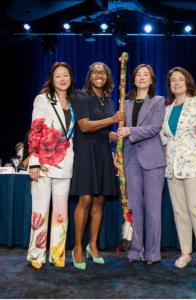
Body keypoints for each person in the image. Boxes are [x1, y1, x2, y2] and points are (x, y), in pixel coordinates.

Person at [160, 66, 196, 269]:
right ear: (169, 85)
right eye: (173, 80)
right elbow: (164, 137)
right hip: (173, 166)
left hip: (194, 163)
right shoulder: (167, 109)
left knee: (195, 208)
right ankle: (185, 253)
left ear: (187, 82)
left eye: (180, 79)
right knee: (179, 211)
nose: (176, 83)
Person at [70, 62, 124, 270]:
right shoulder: (80, 96)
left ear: (108, 76)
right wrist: (112, 119)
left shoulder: (109, 101)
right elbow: (84, 125)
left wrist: (115, 134)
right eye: (95, 72)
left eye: (103, 72)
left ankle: (92, 246)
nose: (99, 75)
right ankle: (77, 247)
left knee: (99, 200)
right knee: (85, 198)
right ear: (89, 75)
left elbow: (103, 130)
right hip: (85, 151)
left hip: (102, 152)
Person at [26, 62, 75, 269]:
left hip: (65, 162)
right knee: (41, 210)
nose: (62, 79)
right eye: (58, 76)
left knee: (61, 212)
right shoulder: (43, 99)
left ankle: (57, 254)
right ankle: (37, 254)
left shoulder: (73, 102)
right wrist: (34, 161)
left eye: (66, 75)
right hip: (44, 162)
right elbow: (36, 130)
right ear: (52, 80)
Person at [117, 64, 166, 264]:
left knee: (153, 208)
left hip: (153, 159)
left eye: (146, 74)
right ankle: (136, 250)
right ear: (133, 79)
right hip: (130, 159)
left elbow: (155, 128)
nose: (142, 77)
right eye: (139, 74)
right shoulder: (124, 103)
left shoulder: (158, 101)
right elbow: (119, 131)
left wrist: (130, 131)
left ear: (152, 80)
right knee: (134, 208)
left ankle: (153, 252)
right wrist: (117, 152)